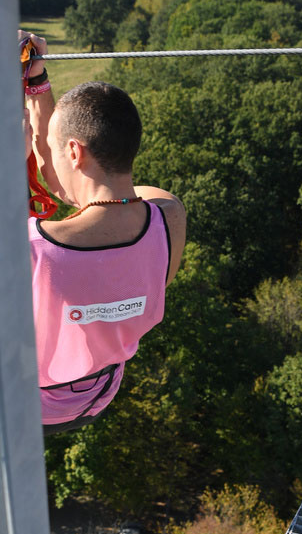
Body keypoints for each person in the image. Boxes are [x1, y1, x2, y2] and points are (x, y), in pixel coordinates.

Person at [20, 32, 187, 435]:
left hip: (31, 405)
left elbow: (56, 185)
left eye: (59, 150)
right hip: (98, 395)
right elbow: (76, 188)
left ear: (74, 153)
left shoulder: (34, 248)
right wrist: (37, 85)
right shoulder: (169, 217)